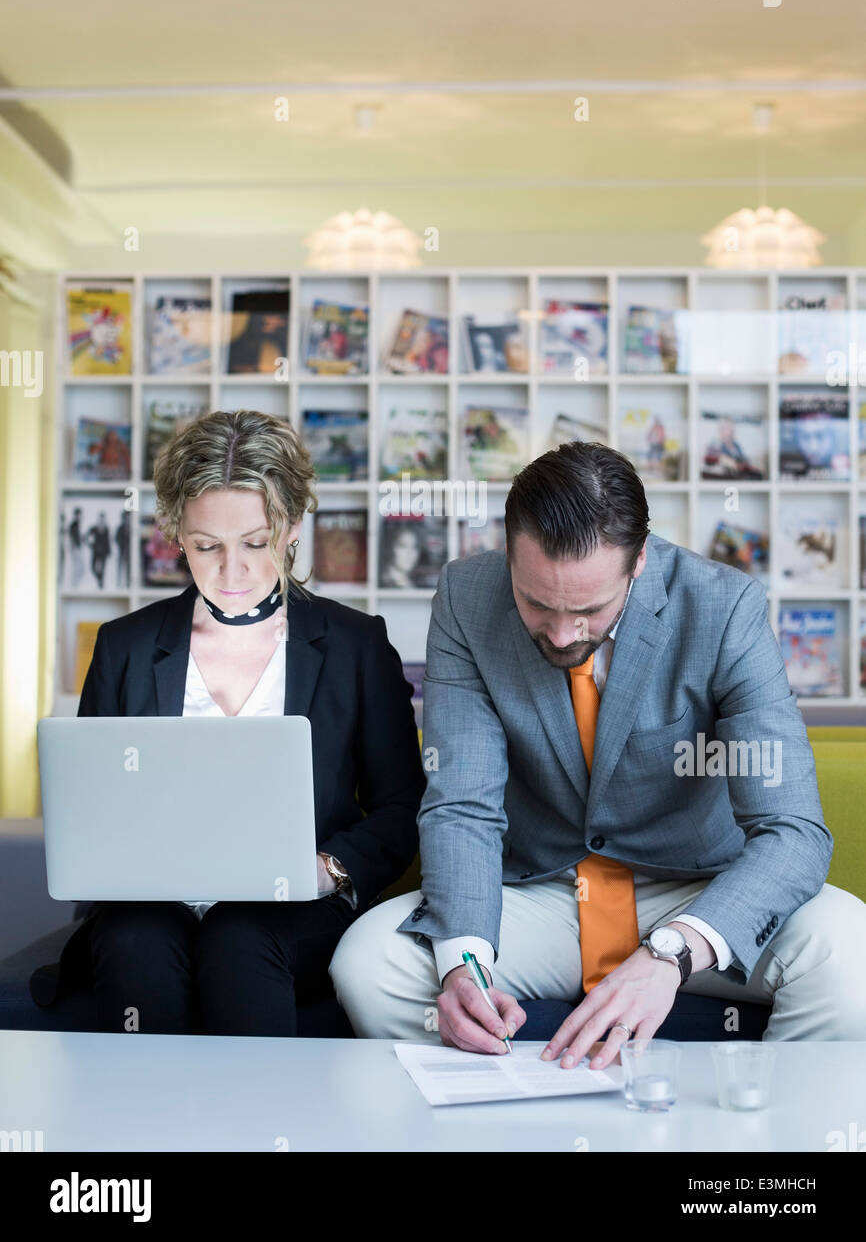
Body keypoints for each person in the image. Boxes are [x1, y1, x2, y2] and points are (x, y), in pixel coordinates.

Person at [330, 439, 866, 1062]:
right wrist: (463, 969)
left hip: (696, 890)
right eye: (536, 603)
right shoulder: (465, 598)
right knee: (370, 966)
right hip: (543, 892)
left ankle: (760, 1141)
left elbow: (793, 831)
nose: (562, 635)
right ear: (509, 555)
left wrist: (670, 953)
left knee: (848, 956)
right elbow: (462, 806)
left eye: (588, 610)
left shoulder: (724, 607)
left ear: (638, 562)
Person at [32, 409, 424, 1035]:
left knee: (239, 941)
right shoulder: (124, 647)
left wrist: (330, 869)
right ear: (175, 533)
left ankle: (258, 1129)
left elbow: (403, 806)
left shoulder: (356, 646)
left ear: (293, 527)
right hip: (150, 901)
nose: (232, 572)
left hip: (293, 906)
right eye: (207, 546)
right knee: (138, 946)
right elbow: (91, 811)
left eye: (256, 542)